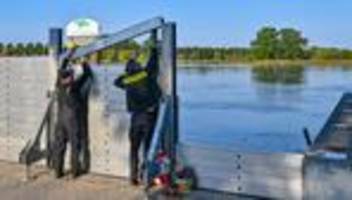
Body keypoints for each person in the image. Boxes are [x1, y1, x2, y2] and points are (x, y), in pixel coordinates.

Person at [114, 47, 161, 185]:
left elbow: (117, 81)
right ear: (138, 67)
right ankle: (146, 177)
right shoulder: (145, 75)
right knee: (148, 148)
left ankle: (133, 177)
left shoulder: (127, 80)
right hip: (148, 117)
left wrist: (131, 65)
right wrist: (153, 50)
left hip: (135, 119)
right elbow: (153, 64)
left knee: (134, 149)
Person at [52, 49, 93, 179]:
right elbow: (88, 75)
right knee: (75, 145)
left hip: (60, 120)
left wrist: (68, 56)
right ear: (70, 76)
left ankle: (58, 172)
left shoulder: (59, 85)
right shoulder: (74, 86)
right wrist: (84, 62)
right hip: (72, 120)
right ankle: (75, 172)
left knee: (59, 145)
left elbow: (61, 69)